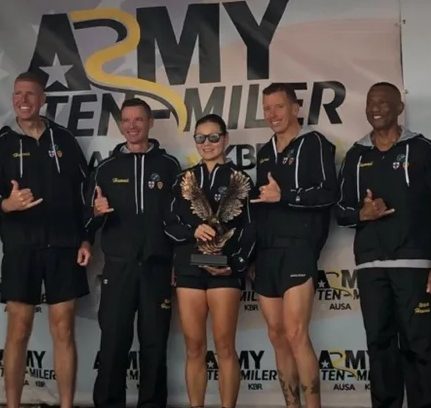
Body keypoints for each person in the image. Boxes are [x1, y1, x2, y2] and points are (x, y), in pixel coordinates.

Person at [0, 72, 92, 408]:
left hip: (63, 246)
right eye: (17, 94)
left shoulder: (65, 140)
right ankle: (12, 405)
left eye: (30, 94)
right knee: (18, 331)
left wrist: (86, 238)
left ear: (42, 99)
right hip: (21, 248)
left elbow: (86, 192)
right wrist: (6, 204)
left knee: (64, 331)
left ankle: (67, 404)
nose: (23, 100)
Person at [335, 82, 431, 408]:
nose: (377, 107)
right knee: (380, 346)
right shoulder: (356, 155)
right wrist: (363, 213)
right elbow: (341, 213)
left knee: (420, 346)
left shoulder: (423, 149)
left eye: (385, 102)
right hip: (371, 267)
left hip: (415, 265)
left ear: (399, 107)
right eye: (371, 102)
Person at [87, 98, 182, 408]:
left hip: (157, 266)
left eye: (138, 120)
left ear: (150, 122)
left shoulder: (169, 166)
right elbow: (87, 218)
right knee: (113, 340)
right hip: (119, 266)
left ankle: (152, 403)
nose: (131, 126)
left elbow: (179, 219)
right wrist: (96, 213)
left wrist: (176, 261)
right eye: (126, 120)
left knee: (154, 343)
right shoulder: (106, 168)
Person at [251, 83, 338, 408]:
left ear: (295, 108)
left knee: (296, 332)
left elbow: (329, 194)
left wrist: (285, 196)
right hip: (267, 254)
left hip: (298, 250)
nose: (272, 114)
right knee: (276, 334)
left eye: (279, 106)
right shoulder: (264, 152)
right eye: (267, 108)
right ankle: (292, 405)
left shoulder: (315, 144)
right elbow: (259, 207)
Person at [165, 114, 256, 408]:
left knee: (225, 347)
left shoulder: (241, 179)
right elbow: (168, 222)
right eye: (201, 138)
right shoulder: (183, 179)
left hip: (225, 270)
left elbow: (252, 229)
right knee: (193, 347)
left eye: (213, 137)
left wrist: (237, 263)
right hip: (188, 268)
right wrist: (192, 229)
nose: (207, 143)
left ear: (225, 139)